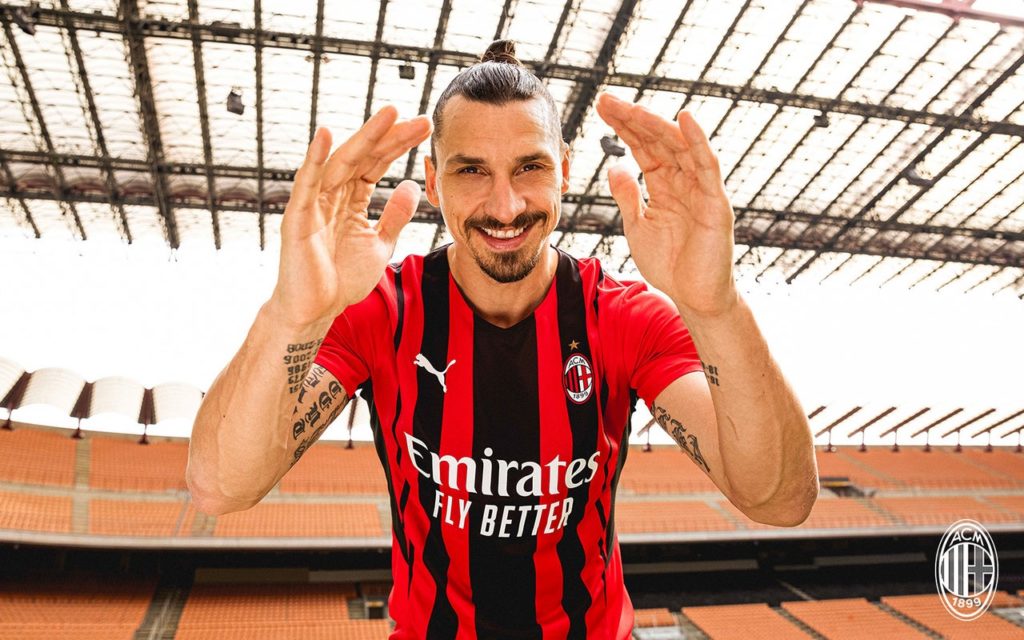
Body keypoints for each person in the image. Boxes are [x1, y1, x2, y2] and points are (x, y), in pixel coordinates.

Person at [187, 40, 818, 639]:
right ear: (434, 181)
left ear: (564, 170)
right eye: (471, 170)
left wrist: (715, 307)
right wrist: (293, 315)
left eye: (529, 167)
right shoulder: (382, 311)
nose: (506, 206)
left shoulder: (622, 317)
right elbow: (220, 486)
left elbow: (781, 500)